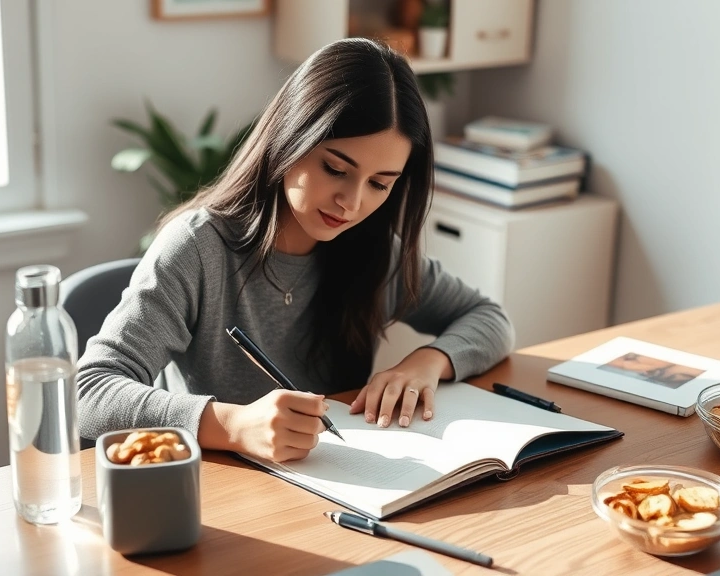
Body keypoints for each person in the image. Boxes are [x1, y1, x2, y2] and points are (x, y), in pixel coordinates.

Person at [77, 38, 515, 463]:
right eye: (335, 169)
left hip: (340, 486)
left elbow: (490, 319)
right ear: (291, 137)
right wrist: (232, 425)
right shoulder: (197, 248)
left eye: (380, 184)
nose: (353, 202)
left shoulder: (374, 249)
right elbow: (90, 392)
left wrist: (425, 363)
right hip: (221, 499)